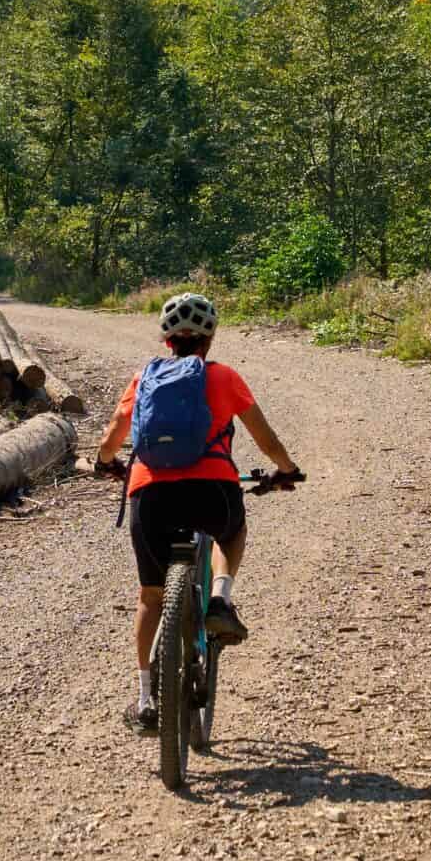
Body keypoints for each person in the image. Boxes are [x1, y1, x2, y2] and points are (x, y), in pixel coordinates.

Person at [94, 291, 300, 733]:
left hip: (150, 495)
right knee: (231, 533)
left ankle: (147, 698)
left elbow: (114, 433)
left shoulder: (144, 378)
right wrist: (286, 470)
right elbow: (266, 439)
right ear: (209, 338)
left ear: (167, 339)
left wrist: (106, 462)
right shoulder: (224, 377)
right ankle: (220, 599)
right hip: (212, 488)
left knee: (150, 597)